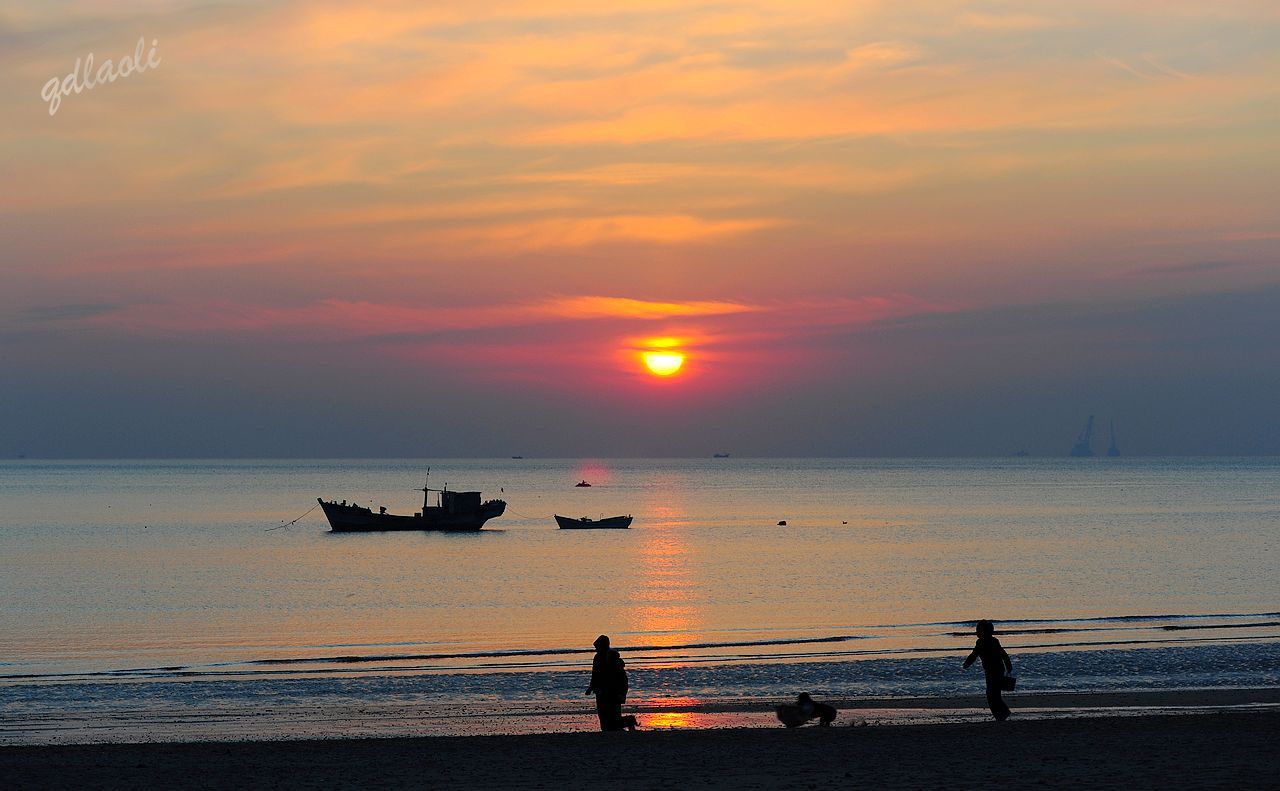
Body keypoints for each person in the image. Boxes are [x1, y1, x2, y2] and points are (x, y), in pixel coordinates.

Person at [962, 619, 1013, 720]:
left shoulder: (988, 642)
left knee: (992, 694)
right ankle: (1002, 714)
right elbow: (974, 654)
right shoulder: (986, 641)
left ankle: (1002, 714)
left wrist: (967, 663)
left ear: (983, 632)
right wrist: (1008, 666)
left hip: (995, 670)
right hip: (993, 669)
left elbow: (974, 654)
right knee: (994, 693)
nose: (976, 632)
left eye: (978, 630)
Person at [585, 635, 638, 731]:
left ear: (603, 646)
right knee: (604, 717)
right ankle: (625, 724)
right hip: (601, 691)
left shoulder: (613, 658)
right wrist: (591, 687)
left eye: (597, 647)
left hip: (613, 692)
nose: (596, 649)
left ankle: (629, 721)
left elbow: (622, 678)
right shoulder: (597, 657)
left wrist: (621, 693)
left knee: (613, 718)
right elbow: (595, 674)